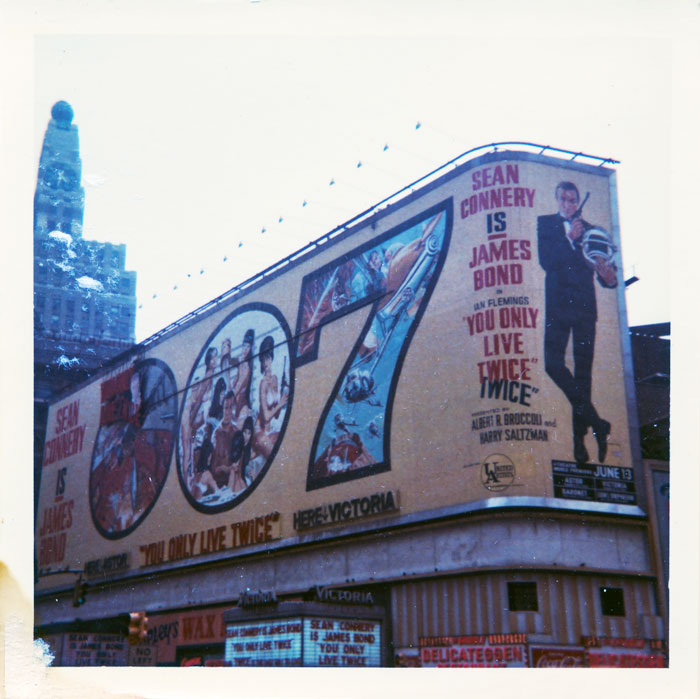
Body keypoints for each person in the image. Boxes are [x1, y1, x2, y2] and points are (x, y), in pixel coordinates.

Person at [537, 181, 617, 464]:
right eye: (564, 199)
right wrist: (569, 238)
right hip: (558, 308)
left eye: (573, 199)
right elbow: (546, 261)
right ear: (557, 200)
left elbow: (607, 270)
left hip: (584, 309)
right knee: (553, 365)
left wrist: (609, 277)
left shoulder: (593, 230)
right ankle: (597, 422)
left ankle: (578, 443)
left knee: (582, 376)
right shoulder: (546, 224)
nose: (569, 204)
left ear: (578, 201)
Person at [254, 335, 288, 459]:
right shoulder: (262, 384)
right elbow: (267, 416)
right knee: (278, 459)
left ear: (271, 358)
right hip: (260, 432)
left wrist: (283, 400)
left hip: (270, 431)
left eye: (267, 358)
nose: (265, 363)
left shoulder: (275, 379)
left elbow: (277, 415)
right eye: (262, 360)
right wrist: (280, 404)